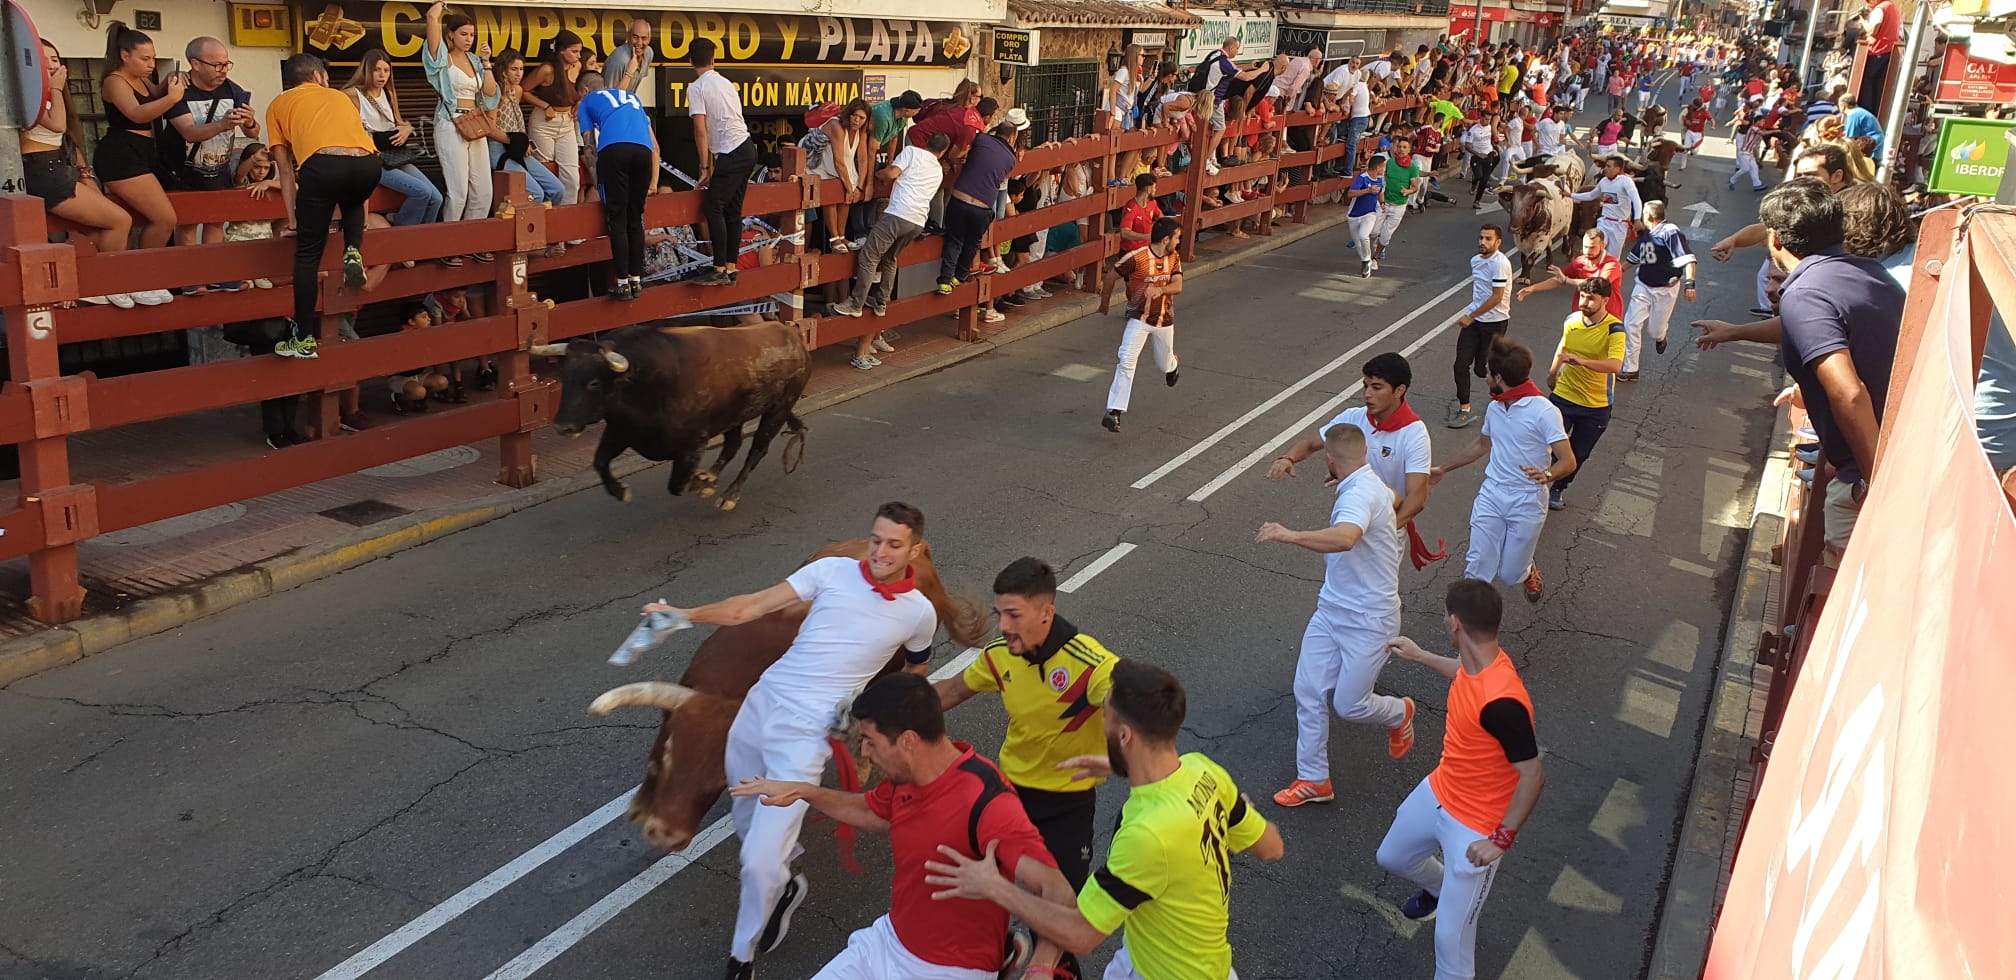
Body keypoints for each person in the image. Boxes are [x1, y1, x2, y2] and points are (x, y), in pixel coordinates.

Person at [652, 503, 942, 978]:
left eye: (893, 544)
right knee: (746, 826)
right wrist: (682, 615)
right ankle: (788, 883)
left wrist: (875, 717)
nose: (880, 552)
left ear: (914, 549)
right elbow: (749, 607)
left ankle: (741, 957)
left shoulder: (919, 614)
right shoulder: (831, 572)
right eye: (876, 539)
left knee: (758, 862)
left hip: (804, 736)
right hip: (757, 708)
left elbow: (916, 673)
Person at [923, 659, 1285, 980]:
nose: (1100, 722)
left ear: (1124, 736)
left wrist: (994, 887)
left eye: (1105, 716)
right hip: (1160, 957)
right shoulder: (1203, 771)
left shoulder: (1147, 833)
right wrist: (1124, 766)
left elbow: (1081, 935)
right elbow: (1271, 848)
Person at [733, 673, 1074, 980]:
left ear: (909, 741)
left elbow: (1059, 892)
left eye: (870, 740)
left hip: (952, 968)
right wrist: (804, 792)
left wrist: (1042, 966)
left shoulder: (989, 803)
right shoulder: (905, 778)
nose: (864, 752)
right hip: (887, 941)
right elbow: (873, 812)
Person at [1692, 179, 1903, 559]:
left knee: (1840, 577)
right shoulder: (1862, 272)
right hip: (1899, 447)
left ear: (1774, 239)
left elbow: (1848, 392)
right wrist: (1735, 332)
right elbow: (1814, 328)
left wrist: (1874, 477)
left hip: (1868, 474)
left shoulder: (1805, 293)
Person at [934, 557, 1119, 978]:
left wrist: (1119, 754)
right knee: (972, 885)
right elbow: (951, 690)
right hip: (1008, 794)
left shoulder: (1088, 663)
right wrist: (888, 715)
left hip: (1066, 804)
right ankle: (1001, 950)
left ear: (1045, 612)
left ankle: (1048, 966)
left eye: (1013, 615)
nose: (1002, 626)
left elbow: (1128, 709)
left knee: (1059, 904)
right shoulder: (1001, 655)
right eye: (1001, 614)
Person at [1381, 580, 1547, 980]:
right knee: (1392, 857)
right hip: (1440, 790)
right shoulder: (1480, 663)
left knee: (1451, 947)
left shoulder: (1503, 703)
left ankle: (1455, 900)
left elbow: (1533, 774)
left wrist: (1499, 841)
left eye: (1443, 615)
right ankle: (1441, 889)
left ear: (1454, 623)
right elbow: (1463, 672)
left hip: (1477, 827)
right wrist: (1420, 656)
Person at [1259, 422, 1414, 807]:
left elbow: (1346, 539)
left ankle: (1399, 712)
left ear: (1331, 460)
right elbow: (1395, 496)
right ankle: (1314, 780)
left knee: (1350, 705)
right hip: (1332, 609)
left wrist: (1288, 534)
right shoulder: (1370, 483)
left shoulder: (1357, 495)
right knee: (1307, 691)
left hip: (1370, 620)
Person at [1269, 353, 1441, 575]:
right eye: (1366, 386)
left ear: (1399, 390)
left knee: (1370, 595)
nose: (1367, 394)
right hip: (1350, 517)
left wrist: (1383, 531)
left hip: (1386, 530)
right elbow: (1311, 443)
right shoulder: (1353, 417)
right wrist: (1288, 458)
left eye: (1377, 387)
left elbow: (1417, 498)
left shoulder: (1414, 434)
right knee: (1339, 583)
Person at [1433, 338, 1575, 600]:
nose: (1485, 377)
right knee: (1477, 569)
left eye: (1487, 373)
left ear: (1498, 377)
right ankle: (1471, 632)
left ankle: (1527, 570)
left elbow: (1568, 460)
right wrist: (1443, 468)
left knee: (1510, 574)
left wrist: (1546, 475)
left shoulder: (1544, 411)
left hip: (1527, 498)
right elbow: (1482, 444)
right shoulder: (1495, 407)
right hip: (1492, 494)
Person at [264, 53, 381, 360]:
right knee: (353, 197)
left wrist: (293, 222)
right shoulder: (342, 98)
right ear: (318, 76)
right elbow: (358, 147)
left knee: (307, 255)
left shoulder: (277, 105)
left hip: (322, 165)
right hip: (368, 165)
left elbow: (286, 172)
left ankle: (302, 338)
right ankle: (353, 250)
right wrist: (361, 228)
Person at [24, 40, 138, 306]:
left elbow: (66, 136)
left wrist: (86, 175)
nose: (52, 64)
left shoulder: (46, 92)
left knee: (100, 232)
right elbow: (57, 125)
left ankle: (84, 286)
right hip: (42, 169)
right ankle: (106, 285)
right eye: (44, 58)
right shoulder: (27, 93)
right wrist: (54, 88)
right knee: (120, 221)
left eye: (55, 58)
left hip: (58, 165)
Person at [829, 132, 948, 344]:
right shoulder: (938, 170)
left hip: (898, 214)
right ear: (943, 151)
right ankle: (881, 302)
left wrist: (878, 175)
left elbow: (892, 173)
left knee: (869, 257)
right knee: (890, 259)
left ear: (925, 142)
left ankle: (856, 304)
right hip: (918, 221)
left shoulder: (911, 152)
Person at [94, 23, 182, 261]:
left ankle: (145, 274)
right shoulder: (114, 81)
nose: (151, 65)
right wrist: (172, 99)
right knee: (165, 219)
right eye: (145, 59)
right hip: (121, 154)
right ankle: (143, 272)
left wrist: (169, 83)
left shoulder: (140, 79)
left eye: (153, 59)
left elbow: (153, 95)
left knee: (164, 216)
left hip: (144, 151)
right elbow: (137, 113)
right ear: (124, 55)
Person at [167, 36, 258, 256]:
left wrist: (250, 121)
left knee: (216, 222)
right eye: (217, 65)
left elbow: (253, 133)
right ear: (195, 64)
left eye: (226, 64)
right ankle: (189, 277)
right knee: (187, 224)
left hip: (220, 169)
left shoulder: (233, 89)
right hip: (183, 171)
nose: (223, 70)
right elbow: (188, 132)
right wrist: (223, 124)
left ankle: (215, 273)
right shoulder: (180, 90)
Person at [421, 0, 499, 258]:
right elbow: (432, 24)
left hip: (473, 123)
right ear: (450, 35)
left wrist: (487, 63)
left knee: (484, 190)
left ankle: (472, 244)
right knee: (458, 191)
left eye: (472, 35)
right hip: (450, 123)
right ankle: (448, 246)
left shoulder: (476, 60)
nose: (468, 39)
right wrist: (438, 10)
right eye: (463, 34)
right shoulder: (443, 58)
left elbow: (490, 95)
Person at [1543, 277, 1626, 511]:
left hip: (1596, 406)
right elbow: (1564, 346)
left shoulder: (1615, 330)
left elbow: (1615, 365)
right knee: (1545, 447)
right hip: (1564, 397)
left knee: (1577, 454)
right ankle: (1537, 484)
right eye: (1582, 296)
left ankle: (1558, 487)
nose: (1584, 302)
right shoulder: (1572, 320)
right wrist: (1552, 373)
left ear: (1605, 301)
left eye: (1591, 298)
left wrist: (1582, 362)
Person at [578, 70, 661, 302]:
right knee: (636, 217)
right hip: (643, 151)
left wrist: (596, 178)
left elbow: (589, 146)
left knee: (617, 217)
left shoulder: (586, 103)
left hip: (614, 151)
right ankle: (637, 278)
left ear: (585, 90)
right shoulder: (631, 96)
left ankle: (622, 282)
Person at [1099, 217, 1185, 434]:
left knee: (1163, 364)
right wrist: (1104, 303)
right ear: (1166, 239)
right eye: (1177, 238)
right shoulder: (1136, 258)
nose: (1178, 242)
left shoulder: (1174, 258)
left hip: (1164, 321)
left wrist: (1161, 290)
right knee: (1126, 358)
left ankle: (1173, 366)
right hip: (1138, 318)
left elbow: (1178, 285)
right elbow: (1111, 275)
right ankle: (1114, 411)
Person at [343, 49, 445, 226]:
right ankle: (403, 232)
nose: (382, 75)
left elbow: (399, 122)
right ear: (367, 71)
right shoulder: (351, 94)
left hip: (394, 155)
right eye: (377, 70)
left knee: (436, 197)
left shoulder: (389, 93)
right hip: (372, 159)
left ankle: (423, 239)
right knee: (421, 192)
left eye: (386, 70)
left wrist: (407, 129)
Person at [690, 38, 757, 286]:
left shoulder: (697, 88)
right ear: (713, 59)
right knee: (733, 210)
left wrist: (704, 167)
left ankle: (719, 267)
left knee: (713, 207)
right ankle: (730, 266)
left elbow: (700, 129)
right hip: (746, 147)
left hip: (730, 152)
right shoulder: (725, 82)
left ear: (690, 61)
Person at [936, 120, 1021, 294]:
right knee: (972, 242)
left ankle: (944, 280)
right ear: (1012, 138)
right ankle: (959, 276)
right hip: (983, 207)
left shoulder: (981, 139)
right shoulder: (1011, 159)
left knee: (954, 240)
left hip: (960, 199)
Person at [1617, 200, 1697, 380]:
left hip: (1665, 289)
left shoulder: (1670, 233)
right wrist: (1611, 273)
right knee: (1631, 324)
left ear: (1650, 216)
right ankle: (1631, 369)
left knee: (1654, 330)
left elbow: (1688, 259)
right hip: (1643, 286)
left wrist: (1690, 284)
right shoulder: (1646, 235)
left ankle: (1661, 336)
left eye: (1643, 213)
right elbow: (1632, 260)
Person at [1449, 225, 1513, 429]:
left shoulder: (1500, 263)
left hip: (1495, 322)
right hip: (1475, 322)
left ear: (1498, 242)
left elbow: (1497, 297)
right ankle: (1464, 408)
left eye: (1488, 239)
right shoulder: (1475, 261)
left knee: (1483, 369)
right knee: (1460, 364)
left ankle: (1507, 400)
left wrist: (1471, 315)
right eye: (1481, 238)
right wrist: (1473, 315)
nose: (1482, 242)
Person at [488, 50, 567, 208]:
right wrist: (513, 141)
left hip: (517, 146)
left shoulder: (517, 90)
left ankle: (545, 226)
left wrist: (524, 142)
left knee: (557, 189)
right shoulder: (495, 92)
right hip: (499, 148)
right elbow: (489, 128)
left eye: (521, 69)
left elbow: (516, 122)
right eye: (514, 69)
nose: (519, 74)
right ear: (503, 71)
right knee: (536, 194)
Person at [523, 30, 591, 206]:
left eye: (579, 51)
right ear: (562, 51)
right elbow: (523, 90)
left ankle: (564, 220)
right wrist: (544, 105)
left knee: (572, 177)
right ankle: (544, 215)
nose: (578, 56)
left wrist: (579, 104)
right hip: (544, 122)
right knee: (546, 171)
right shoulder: (547, 70)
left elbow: (580, 92)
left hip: (567, 122)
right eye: (574, 51)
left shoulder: (577, 67)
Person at [1516, 228, 1623, 322]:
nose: (1588, 251)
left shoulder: (1612, 264)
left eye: (1592, 247)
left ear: (1603, 245)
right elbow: (1559, 279)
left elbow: (1597, 284)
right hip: (1581, 318)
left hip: (1607, 319)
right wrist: (1533, 288)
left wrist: (1567, 280)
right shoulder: (1579, 261)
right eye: (1585, 247)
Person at [1571, 153, 1643, 259]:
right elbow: (1591, 195)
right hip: (1603, 222)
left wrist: (1637, 219)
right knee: (1595, 249)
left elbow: (1636, 200)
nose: (1605, 169)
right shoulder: (1603, 181)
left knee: (1612, 258)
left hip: (1619, 225)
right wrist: (1571, 195)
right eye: (1605, 166)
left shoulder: (1626, 181)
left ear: (1617, 168)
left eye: (1609, 166)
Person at [1371, 135, 1426, 273]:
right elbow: (1381, 178)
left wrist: (1408, 191)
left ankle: (1375, 257)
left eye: (1404, 147)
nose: (1401, 149)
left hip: (1399, 206)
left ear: (1409, 150)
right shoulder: (1389, 163)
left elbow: (1415, 187)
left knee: (1385, 235)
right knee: (1373, 231)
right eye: (1399, 146)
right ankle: (1372, 247)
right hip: (1384, 202)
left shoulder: (1412, 168)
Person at [1345, 152, 1387, 278]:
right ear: (1378, 167)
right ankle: (1366, 260)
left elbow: (1380, 192)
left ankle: (1366, 261)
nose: (1384, 169)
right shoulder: (1362, 178)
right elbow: (1350, 193)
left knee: (1364, 236)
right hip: (1354, 215)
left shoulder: (1380, 180)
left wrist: (1382, 203)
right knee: (1358, 243)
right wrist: (1367, 190)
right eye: (1383, 166)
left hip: (1370, 214)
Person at [1855, 0, 1898, 114]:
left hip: (1878, 50)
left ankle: (1866, 111)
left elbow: (1873, 31)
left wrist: (1863, 20)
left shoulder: (1880, 9)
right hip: (1888, 50)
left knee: (1867, 82)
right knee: (1877, 84)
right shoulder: (1891, 7)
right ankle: (1875, 111)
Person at [601, 19, 655, 95]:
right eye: (635, 37)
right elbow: (610, 96)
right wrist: (629, 72)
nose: (639, 43)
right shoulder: (619, 60)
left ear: (649, 39)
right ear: (628, 37)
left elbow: (636, 82)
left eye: (644, 38)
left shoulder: (648, 53)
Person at [872, 90, 924, 160]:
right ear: (907, 111)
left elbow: (893, 137)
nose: (918, 113)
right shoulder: (883, 117)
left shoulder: (903, 116)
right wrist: (870, 171)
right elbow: (871, 149)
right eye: (917, 110)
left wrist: (890, 163)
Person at [1678, 98, 1711, 171]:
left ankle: (1693, 149)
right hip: (1687, 129)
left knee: (1695, 151)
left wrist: (1712, 124)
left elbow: (1707, 120)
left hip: (1697, 132)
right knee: (1685, 148)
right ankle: (1682, 166)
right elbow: (1682, 117)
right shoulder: (1689, 109)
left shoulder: (1704, 111)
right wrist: (1685, 122)